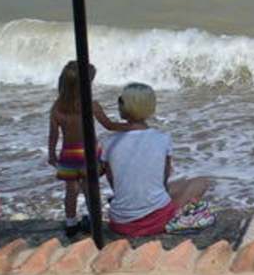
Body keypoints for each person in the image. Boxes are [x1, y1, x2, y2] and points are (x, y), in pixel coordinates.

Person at [101, 83, 215, 236]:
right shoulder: (162, 139)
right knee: (201, 182)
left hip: (120, 223)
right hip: (156, 221)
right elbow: (163, 181)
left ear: (124, 107)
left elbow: (114, 185)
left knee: (170, 186)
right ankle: (180, 213)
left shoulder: (109, 142)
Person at [47, 61, 126, 236]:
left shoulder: (57, 107)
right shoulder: (91, 105)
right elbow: (109, 125)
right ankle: (94, 220)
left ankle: (71, 224)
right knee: (90, 190)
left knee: (71, 191)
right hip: (88, 154)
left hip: (69, 156)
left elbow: (53, 134)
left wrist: (51, 154)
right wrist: (131, 127)